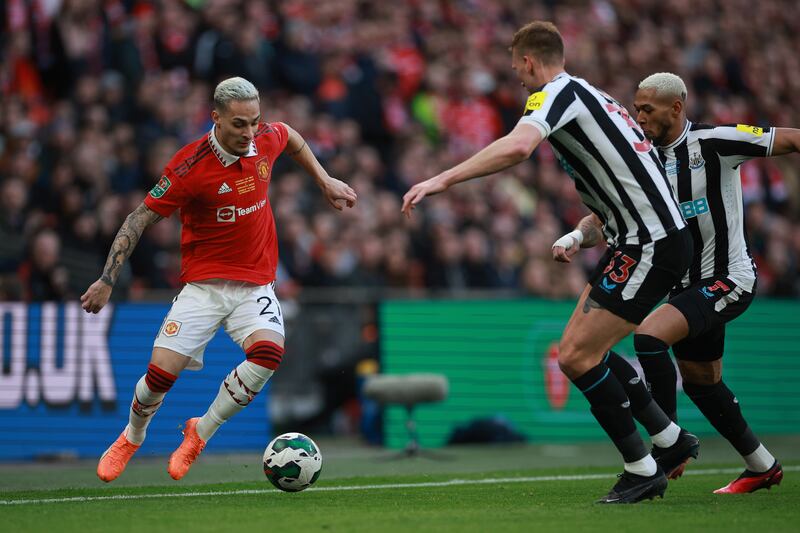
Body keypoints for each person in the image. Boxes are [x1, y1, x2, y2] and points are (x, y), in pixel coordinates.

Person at [402, 21, 697, 504]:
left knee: (577, 358)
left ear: (528, 61)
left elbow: (519, 146)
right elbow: (624, 186)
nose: (516, 77)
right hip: (637, 240)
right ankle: (669, 439)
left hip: (650, 243)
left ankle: (642, 468)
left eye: (516, 67)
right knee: (582, 352)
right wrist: (582, 234)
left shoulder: (556, 93)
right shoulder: (596, 98)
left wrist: (442, 179)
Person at [81, 77, 357, 482]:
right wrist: (107, 278)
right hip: (204, 287)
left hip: (256, 285)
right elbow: (138, 217)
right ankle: (131, 437)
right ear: (216, 119)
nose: (249, 133)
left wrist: (324, 179)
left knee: (268, 354)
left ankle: (200, 432)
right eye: (239, 124)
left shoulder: (264, 138)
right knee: (159, 376)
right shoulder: (189, 167)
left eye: (254, 122)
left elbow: (291, 136)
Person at [555, 72, 799, 494]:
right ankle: (762, 466)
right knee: (703, 382)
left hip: (728, 278)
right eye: (636, 108)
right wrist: (577, 236)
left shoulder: (715, 142)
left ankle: (667, 444)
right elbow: (604, 218)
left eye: (647, 109)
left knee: (648, 336)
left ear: (676, 107)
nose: (639, 116)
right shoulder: (640, 158)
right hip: (683, 289)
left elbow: (791, 138)